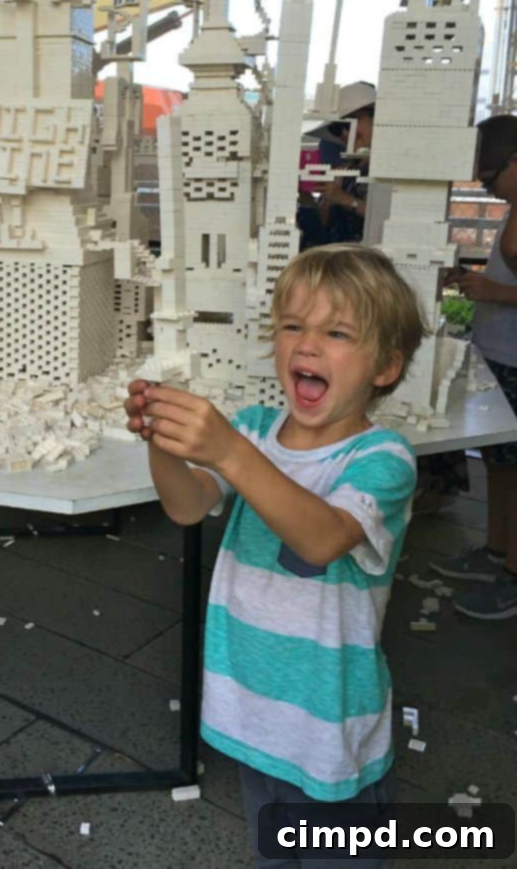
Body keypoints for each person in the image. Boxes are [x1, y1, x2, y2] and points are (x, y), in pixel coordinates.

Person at [124, 244, 427, 867]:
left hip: (328, 729)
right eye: (292, 326)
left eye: (337, 332)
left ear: (386, 368)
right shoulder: (258, 427)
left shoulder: (382, 459)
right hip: (254, 716)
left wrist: (229, 451)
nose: (307, 345)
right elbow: (187, 506)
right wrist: (164, 442)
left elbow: (321, 537)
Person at [431, 114, 517, 620]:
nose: (487, 188)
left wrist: (495, 293)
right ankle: (498, 550)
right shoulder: (513, 207)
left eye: (489, 178)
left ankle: (512, 578)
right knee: (501, 463)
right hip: (501, 352)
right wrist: (474, 279)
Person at [298, 82, 376, 248]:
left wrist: (345, 199)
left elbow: (388, 218)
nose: (345, 134)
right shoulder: (348, 166)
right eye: (337, 129)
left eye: (349, 125)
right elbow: (325, 225)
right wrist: (310, 198)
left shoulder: (394, 167)